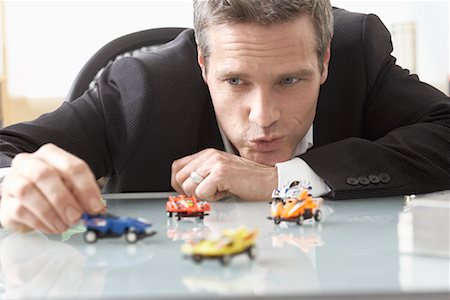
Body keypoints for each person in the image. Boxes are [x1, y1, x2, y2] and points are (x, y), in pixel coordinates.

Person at [0, 0, 449, 234]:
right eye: (235, 82)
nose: (264, 117)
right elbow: (7, 152)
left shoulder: (359, 56)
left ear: (326, 60)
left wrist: (284, 180)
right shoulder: (141, 89)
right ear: (202, 64)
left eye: (290, 81)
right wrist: (15, 183)